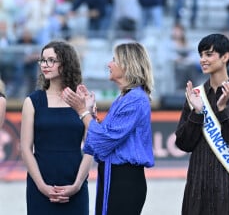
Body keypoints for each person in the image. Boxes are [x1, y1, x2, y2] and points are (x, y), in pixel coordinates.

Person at [61, 42, 154, 215]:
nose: (109, 64)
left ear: (127, 65)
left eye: (114, 60)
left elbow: (104, 140)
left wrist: (82, 111)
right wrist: (89, 112)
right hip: (113, 175)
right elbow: (101, 139)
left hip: (124, 179)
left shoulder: (135, 99)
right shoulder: (124, 98)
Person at [175, 33, 229, 215]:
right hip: (196, 189)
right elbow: (183, 143)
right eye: (201, 55)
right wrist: (197, 112)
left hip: (227, 188)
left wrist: (223, 110)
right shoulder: (195, 95)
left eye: (208, 54)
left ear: (225, 57)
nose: (203, 60)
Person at [20, 40, 94, 215]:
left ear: (66, 63)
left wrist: (76, 185)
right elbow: (25, 148)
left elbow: (91, 147)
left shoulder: (82, 100)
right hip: (40, 185)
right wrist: (41, 186)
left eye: (51, 60)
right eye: (43, 60)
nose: (45, 65)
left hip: (75, 183)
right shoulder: (32, 101)